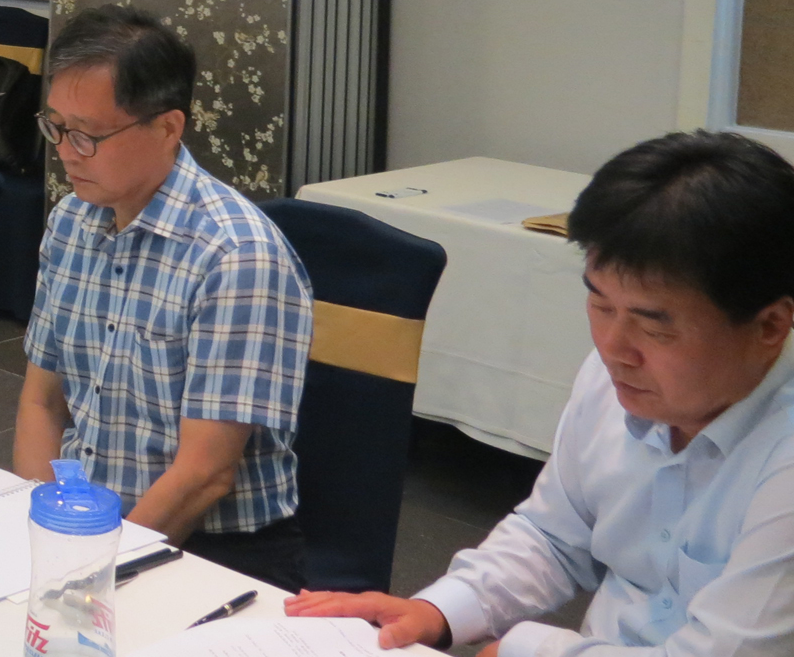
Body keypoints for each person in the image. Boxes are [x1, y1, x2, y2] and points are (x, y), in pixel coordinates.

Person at [287, 129, 794, 657]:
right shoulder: (614, 376)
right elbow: (553, 535)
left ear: (769, 325)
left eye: (654, 326)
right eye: (600, 305)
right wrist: (439, 611)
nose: (614, 348)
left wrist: (524, 648)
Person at [14, 5, 313, 592]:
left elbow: (205, 475)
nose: (66, 152)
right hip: (85, 527)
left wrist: (92, 575)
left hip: (213, 550)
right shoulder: (72, 221)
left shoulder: (235, 256)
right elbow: (41, 403)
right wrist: (40, 529)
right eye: (56, 127)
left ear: (169, 128)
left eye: (88, 135)